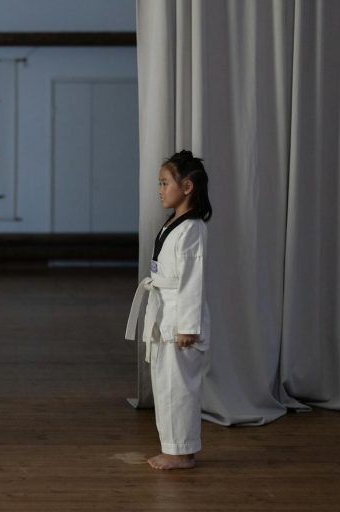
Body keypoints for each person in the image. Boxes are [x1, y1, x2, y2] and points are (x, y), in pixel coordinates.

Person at [125, 149, 212, 470]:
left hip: (180, 323)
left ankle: (181, 452)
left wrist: (188, 327)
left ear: (187, 187)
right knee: (166, 386)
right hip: (164, 316)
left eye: (165, 183)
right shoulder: (173, 224)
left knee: (179, 389)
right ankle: (177, 448)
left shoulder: (192, 229)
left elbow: (193, 280)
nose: (160, 190)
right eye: (159, 184)